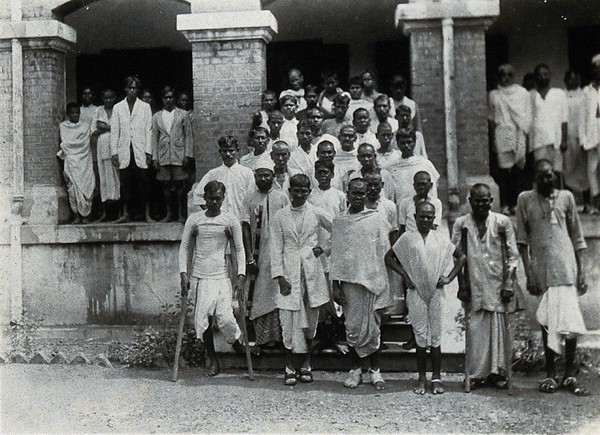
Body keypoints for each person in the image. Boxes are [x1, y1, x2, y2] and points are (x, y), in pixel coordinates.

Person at [516, 159, 589, 396]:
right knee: (547, 321)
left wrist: (583, 271)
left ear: (554, 176)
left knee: (569, 323)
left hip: (567, 269)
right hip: (542, 270)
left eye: (550, 176)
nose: (547, 180)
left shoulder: (566, 197)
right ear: (534, 178)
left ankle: (569, 373)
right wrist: (528, 272)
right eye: (541, 176)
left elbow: (578, 237)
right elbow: (522, 240)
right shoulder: (525, 199)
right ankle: (550, 373)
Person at [386, 201, 465, 395]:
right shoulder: (407, 238)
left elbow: (461, 257)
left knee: (435, 336)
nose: (425, 220)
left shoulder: (440, 239)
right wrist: (405, 275)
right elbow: (389, 258)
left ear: (434, 218)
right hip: (416, 292)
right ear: (415, 217)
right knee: (420, 335)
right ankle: (422, 378)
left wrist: (448, 278)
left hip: (436, 292)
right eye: (422, 216)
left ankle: (436, 378)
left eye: (429, 217)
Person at [452, 183, 523, 389]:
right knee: (477, 329)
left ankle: (497, 373)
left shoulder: (502, 222)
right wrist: (462, 285)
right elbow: (456, 257)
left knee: (499, 329)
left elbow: (513, 257)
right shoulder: (461, 224)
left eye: (486, 201)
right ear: (470, 201)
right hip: (475, 282)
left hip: (498, 283)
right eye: (477, 201)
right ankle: (476, 374)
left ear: (491, 201)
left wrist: (509, 282)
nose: (482, 204)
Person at [179, 181, 246, 377]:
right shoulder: (194, 219)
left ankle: (235, 340)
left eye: (218, 198)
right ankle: (212, 359)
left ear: (223, 199)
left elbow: (239, 249)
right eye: (211, 198)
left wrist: (240, 276)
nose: (214, 202)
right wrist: (183, 274)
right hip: (200, 276)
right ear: (205, 198)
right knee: (203, 320)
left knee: (225, 317)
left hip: (221, 275)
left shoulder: (230, 220)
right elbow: (184, 248)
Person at [330, 178, 392, 390]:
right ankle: (355, 370)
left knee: (373, 328)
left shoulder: (377, 219)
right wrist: (335, 285)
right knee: (353, 327)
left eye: (361, 193)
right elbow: (336, 256)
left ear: (367, 195)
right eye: (354, 193)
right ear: (347, 194)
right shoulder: (340, 222)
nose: (358, 197)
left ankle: (375, 371)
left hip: (372, 280)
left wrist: (382, 281)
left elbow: (384, 252)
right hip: (349, 282)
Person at [271, 174, 332, 385]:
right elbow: (275, 248)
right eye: (295, 191)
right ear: (289, 191)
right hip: (288, 272)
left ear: (309, 192)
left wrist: (323, 248)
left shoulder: (315, 213)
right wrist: (280, 277)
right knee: (288, 322)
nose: (299, 195)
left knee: (310, 323)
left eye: (303, 191)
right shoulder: (280, 216)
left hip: (311, 273)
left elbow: (340, 229)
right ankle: (289, 367)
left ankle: (305, 365)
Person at [241, 160, 290, 350]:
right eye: (260, 175)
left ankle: (279, 338)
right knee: (259, 294)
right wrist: (249, 257)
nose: (263, 178)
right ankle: (261, 338)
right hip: (257, 255)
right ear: (255, 177)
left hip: (279, 254)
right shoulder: (249, 198)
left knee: (278, 293)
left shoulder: (282, 197)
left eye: (267, 175)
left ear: (272, 176)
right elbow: (244, 226)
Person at [488, 64, 532, 215]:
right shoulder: (494, 94)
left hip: (518, 133)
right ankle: (505, 204)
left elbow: (527, 116)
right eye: (502, 75)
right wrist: (493, 140)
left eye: (508, 75)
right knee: (503, 172)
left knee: (518, 171)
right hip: (502, 133)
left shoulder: (522, 93)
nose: (505, 78)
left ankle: (516, 204)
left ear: (513, 77)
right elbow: (492, 119)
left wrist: (525, 137)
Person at [110, 76, 154, 223]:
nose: (132, 90)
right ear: (125, 89)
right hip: (124, 150)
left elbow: (149, 130)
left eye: (135, 88)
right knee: (125, 184)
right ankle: (125, 214)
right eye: (130, 88)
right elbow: (115, 131)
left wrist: (148, 151)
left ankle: (147, 214)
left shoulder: (145, 107)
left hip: (140, 150)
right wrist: (114, 152)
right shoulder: (118, 107)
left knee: (144, 183)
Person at [151, 86, 194, 223]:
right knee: (165, 186)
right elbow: (154, 138)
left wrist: (187, 155)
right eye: (165, 98)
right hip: (163, 155)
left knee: (180, 184)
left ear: (174, 98)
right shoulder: (157, 116)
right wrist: (154, 157)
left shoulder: (182, 114)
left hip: (178, 154)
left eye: (171, 97)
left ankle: (181, 213)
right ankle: (169, 213)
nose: (168, 100)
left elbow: (188, 135)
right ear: (162, 99)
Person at [192, 136, 254, 221]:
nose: (228, 154)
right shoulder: (213, 174)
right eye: (225, 151)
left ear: (237, 151)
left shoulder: (247, 173)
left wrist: (246, 220)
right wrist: (212, 212)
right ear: (220, 152)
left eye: (231, 150)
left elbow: (252, 198)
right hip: (219, 221)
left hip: (241, 220)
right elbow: (198, 195)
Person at [530, 63, 568, 184]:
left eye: (546, 74)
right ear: (535, 77)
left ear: (550, 76)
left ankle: (555, 199)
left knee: (555, 171)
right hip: (538, 140)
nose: (543, 77)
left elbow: (564, 119)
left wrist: (564, 140)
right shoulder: (530, 95)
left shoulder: (559, 93)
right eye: (540, 75)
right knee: (540, 170)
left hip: (555, 139)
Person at [58, 103, 95, 224]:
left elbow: (84, 143)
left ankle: (86, 215)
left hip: (84, 162)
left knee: (87, 187)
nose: (75, 115)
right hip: (71, 163)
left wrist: (71, 145)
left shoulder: (85, 126)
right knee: (73, 190)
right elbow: (65, 143)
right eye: (73, 113)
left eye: (77, 113)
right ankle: (76, 215)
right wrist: (71, 146)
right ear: (68, 115)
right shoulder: (63, 126)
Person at [563, 70, 592, 212]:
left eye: (574, 79)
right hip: (567, 138)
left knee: (583, 171)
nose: (571, 82)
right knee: (568, 169)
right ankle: (570, 205)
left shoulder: (584, 95)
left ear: (579, 80)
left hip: (581, 137)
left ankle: (587, 203)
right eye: (569, 79)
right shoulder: (562, 96)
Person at [388, 127, 440, 204]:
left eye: (409, 142)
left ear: (415, 143)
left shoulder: (425, 164)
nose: (406, 146)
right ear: (398, 144)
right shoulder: (392, 168)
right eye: (403, 143)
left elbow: (433, 192)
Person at [90, 89, 120, 222]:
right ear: (102, 98)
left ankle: (119, 213)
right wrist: (111, 128)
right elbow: (94, 130)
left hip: (116, 150)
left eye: (111, 97)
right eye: (106, 98)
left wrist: (105, 127)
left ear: (115, 98)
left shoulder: (119, 109)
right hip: (102, 149)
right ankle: (105, 213)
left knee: (117, 180)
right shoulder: (98, 110)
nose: (108, 100)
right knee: (104, 180)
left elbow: (121, 129)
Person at [582, 54, 600, 214]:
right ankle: (596, 202)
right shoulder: (586, 91)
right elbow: (582, 116)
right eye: (596, 67)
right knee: (592, 169)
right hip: (591, 134)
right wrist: (583, 138)